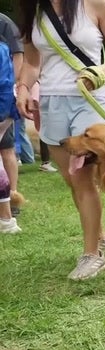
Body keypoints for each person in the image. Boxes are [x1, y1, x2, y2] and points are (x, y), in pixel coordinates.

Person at [16, 0, 105, 279]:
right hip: (52, 104)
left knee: (82, 180)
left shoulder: (95, 4)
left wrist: (101, 71)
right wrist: (23, 87)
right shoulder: (35, 10)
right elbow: (32, 62)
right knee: (72, 179)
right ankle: (100, 235)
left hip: (90, 100)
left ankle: (92, 255)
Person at [0, 13, 23, 216]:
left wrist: (15, 87)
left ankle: (11, 198)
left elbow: (18, 55)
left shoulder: (4, 22)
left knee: (6, 149)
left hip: (4, 96)